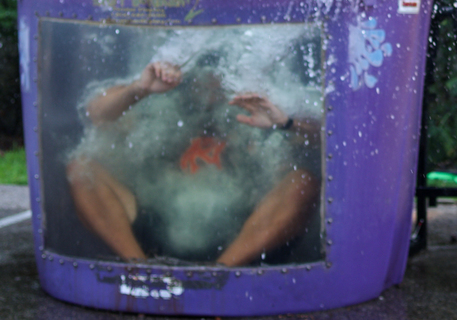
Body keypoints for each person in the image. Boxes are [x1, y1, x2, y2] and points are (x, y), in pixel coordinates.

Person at [66, 60, 320, 266]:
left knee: (303, 182)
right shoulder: (162, 104)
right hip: (154, 221)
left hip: (243, 229)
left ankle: (219, 273)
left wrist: (287, 122)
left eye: (219, 72)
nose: (211, 82)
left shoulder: (258, 107)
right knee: (81, 168)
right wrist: (139, 90)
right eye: (203, 71)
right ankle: (140, 269)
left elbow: (331, 137)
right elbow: (94, 113)